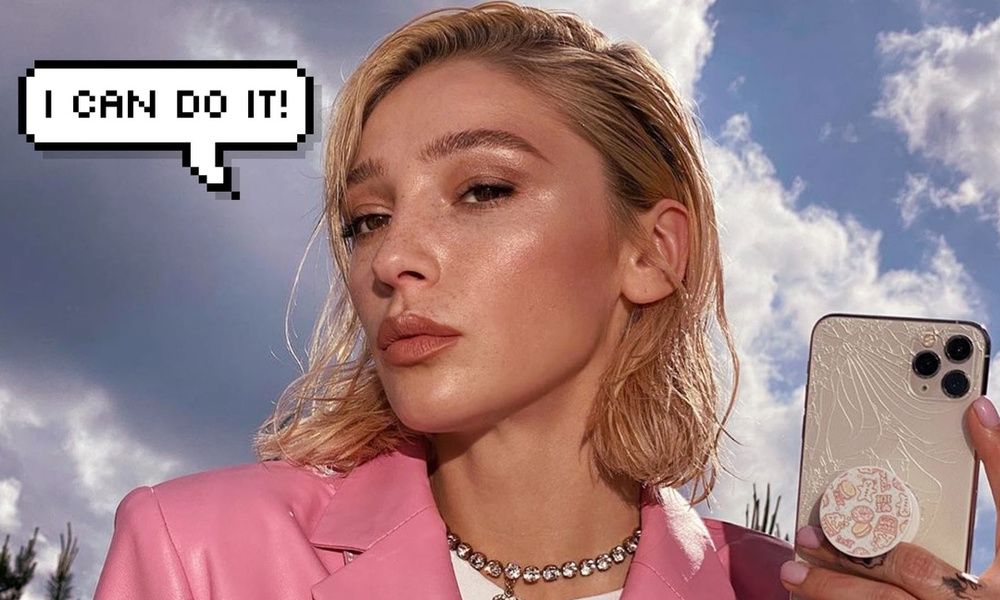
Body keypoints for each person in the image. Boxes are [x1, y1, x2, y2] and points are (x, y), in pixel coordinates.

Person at [92, 3, 1000, 600]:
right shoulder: (196, 553)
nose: (392, 259)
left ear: (652, 252)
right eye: (368, 219)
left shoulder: (781, 590)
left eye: (483, 190)